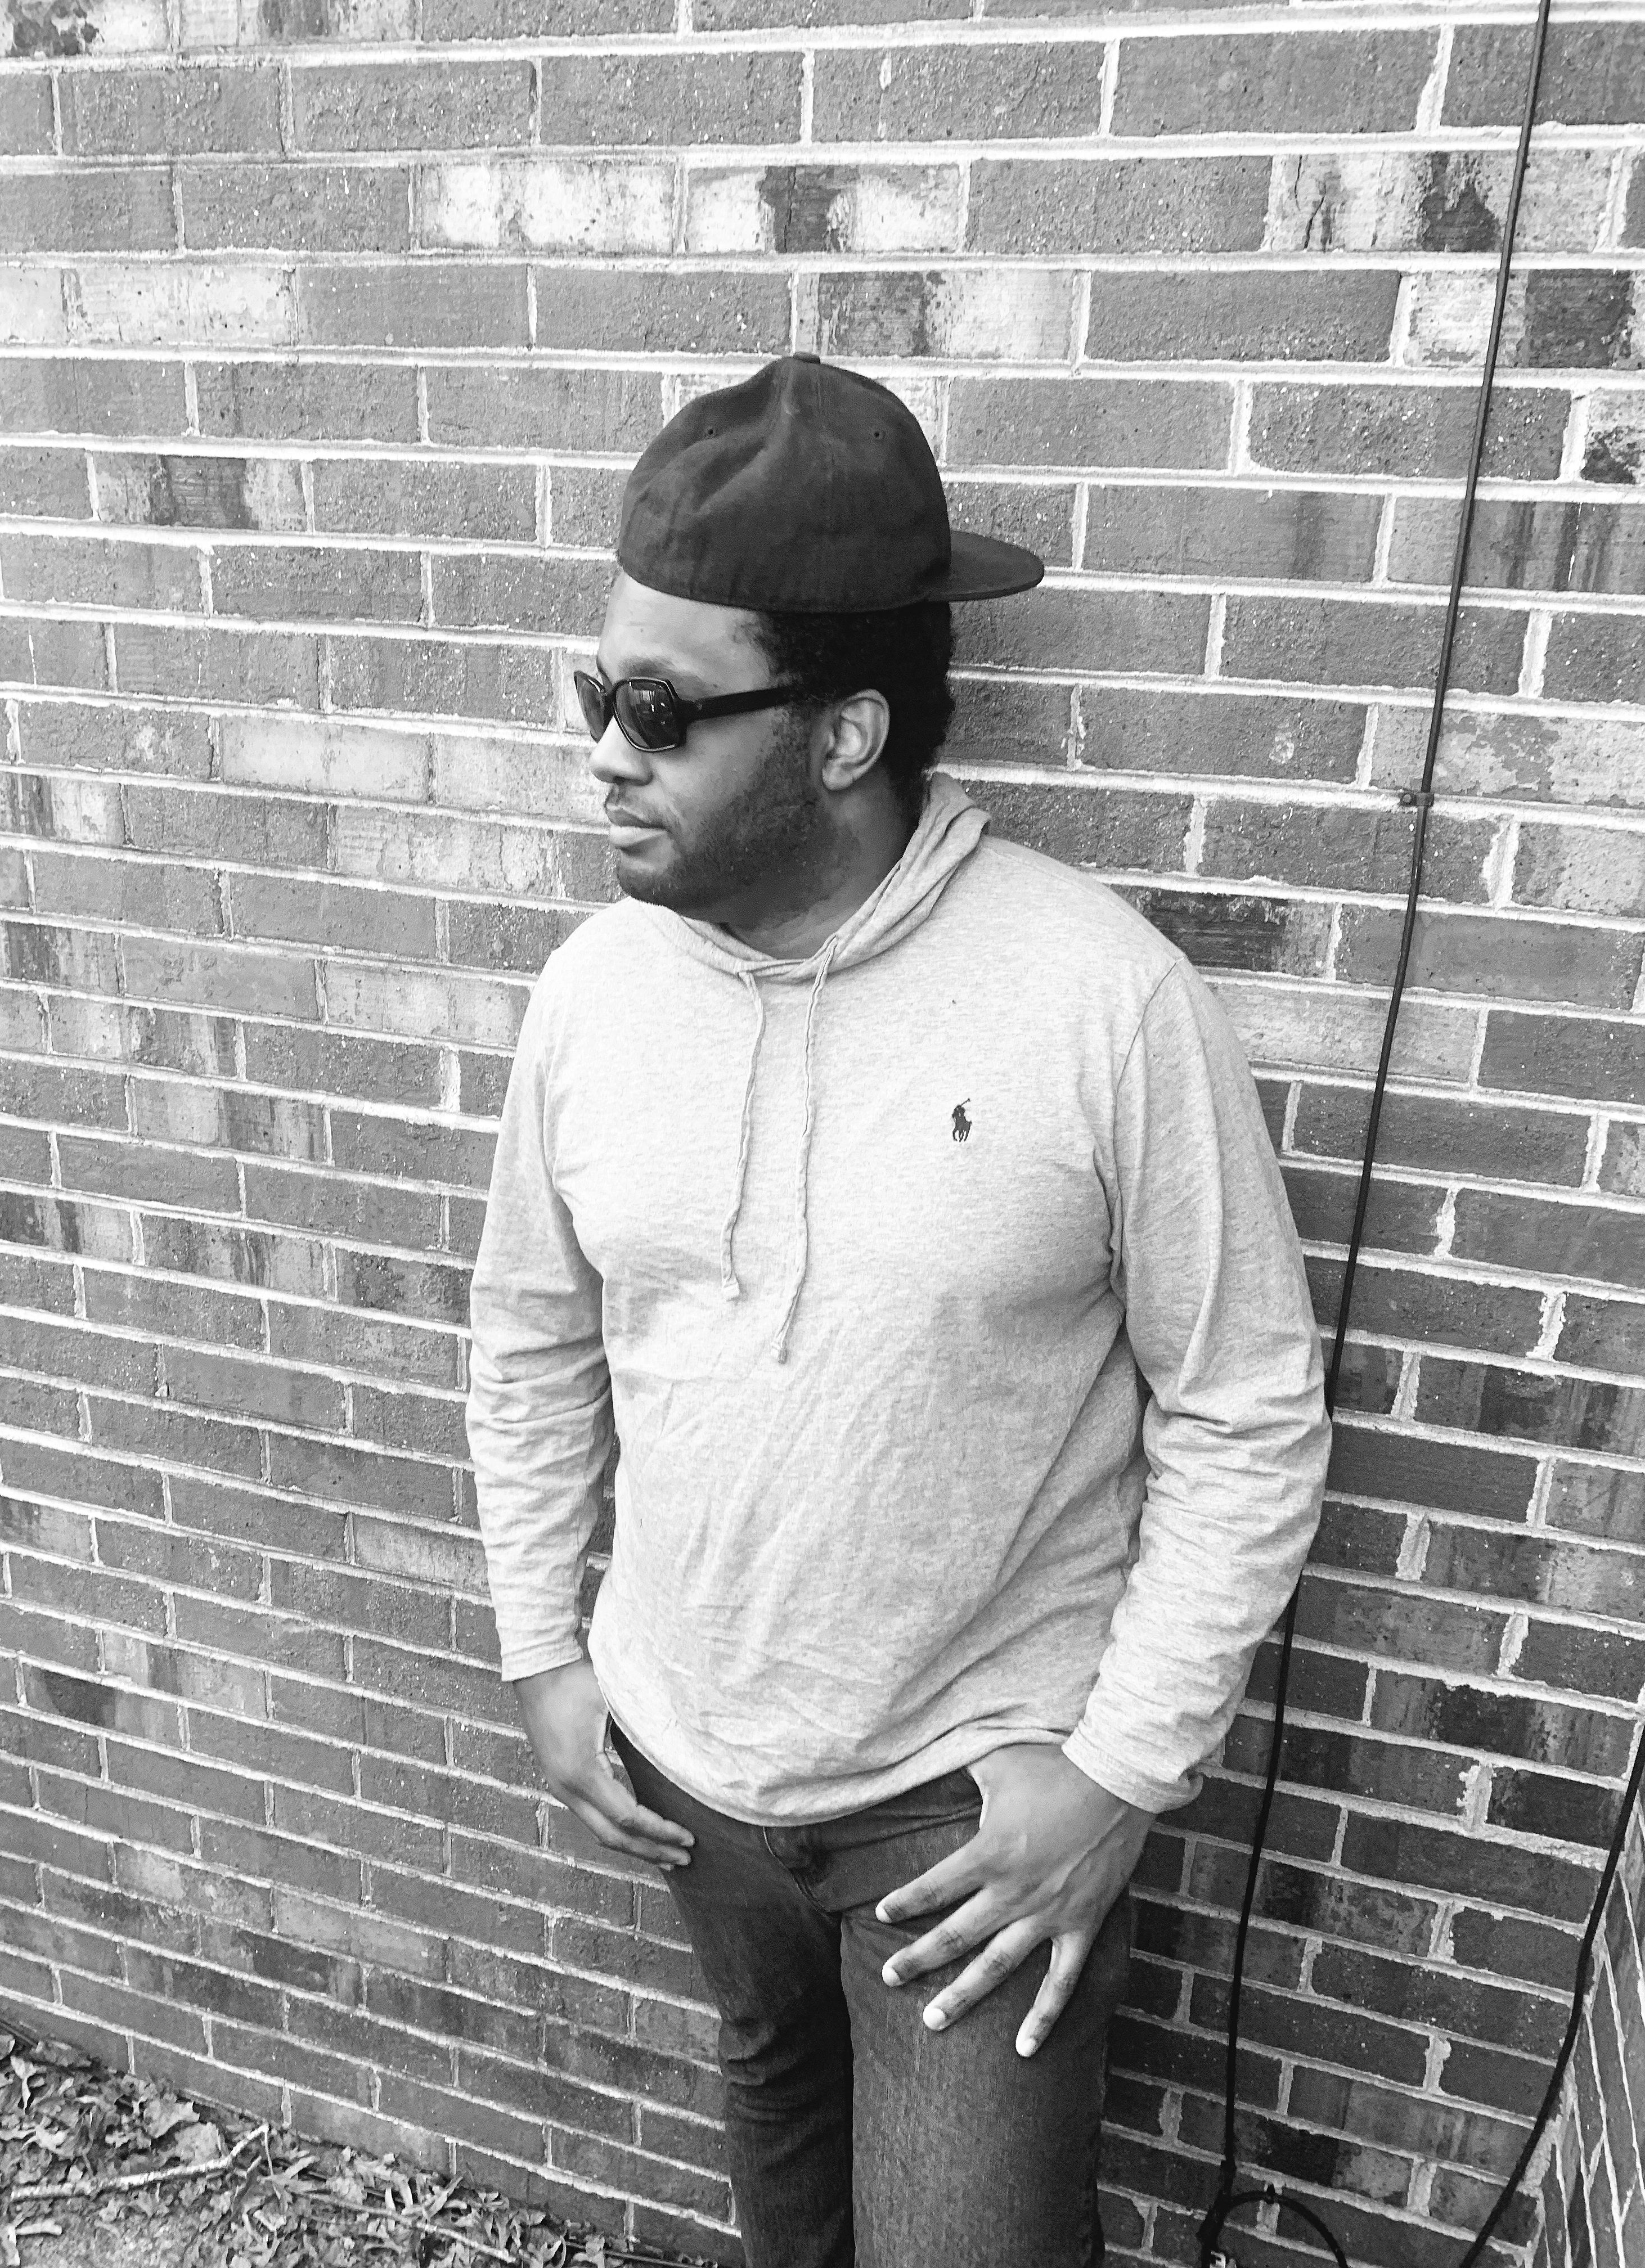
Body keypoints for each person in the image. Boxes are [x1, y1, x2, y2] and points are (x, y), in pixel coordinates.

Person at [466, 353, 1332, 2268]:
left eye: (660, 711)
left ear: (846, 734)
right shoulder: (595, 994)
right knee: (790, 2222)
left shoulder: (1102, 1002)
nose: (603, 753)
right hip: (688, 1773)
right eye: (594, 692)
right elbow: (530, 1338)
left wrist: (1119, 1778)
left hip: (963, 1821)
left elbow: (1247, 1405)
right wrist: (547, 1652)